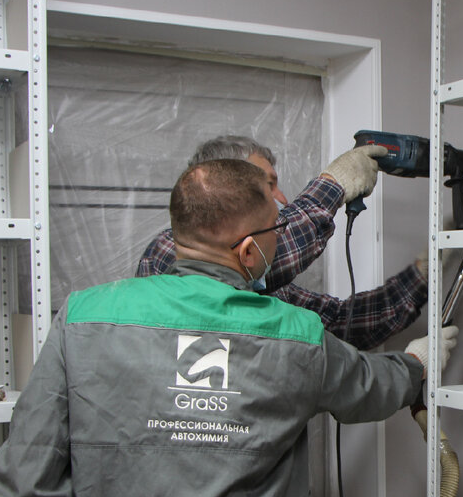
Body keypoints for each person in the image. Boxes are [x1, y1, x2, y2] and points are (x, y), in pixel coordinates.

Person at [0, 158, 459, 497]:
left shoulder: (83, 318)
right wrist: (416, 365)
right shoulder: (294, 334)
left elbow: (25, 476)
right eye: (275, 231)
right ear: (249, 250)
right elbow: (370, 386)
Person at [137, 135, 426, 350]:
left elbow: (339, 323)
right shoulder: (169, 254)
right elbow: (285, 246)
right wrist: (333, 184)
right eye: (267, 186)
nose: (281, 199)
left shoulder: (260, 280)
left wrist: (421, 276)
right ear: (222, 189)